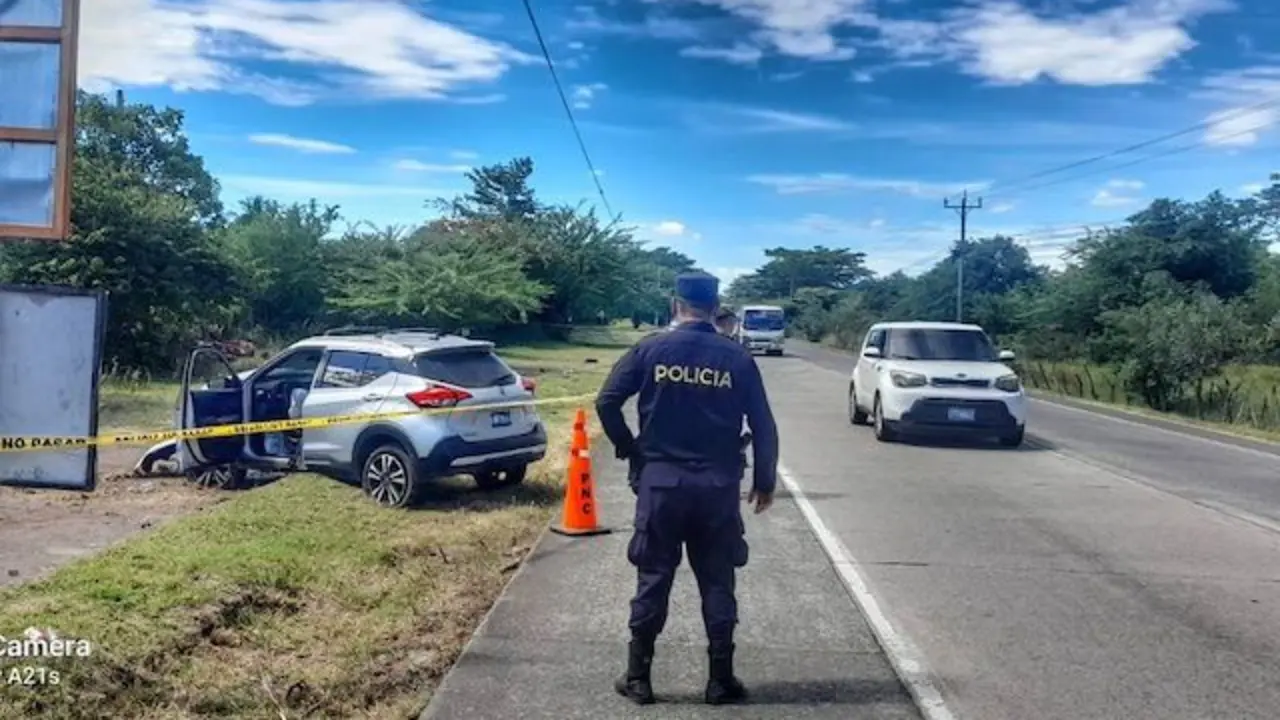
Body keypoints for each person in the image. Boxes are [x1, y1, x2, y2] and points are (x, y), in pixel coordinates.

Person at [596, 271, 780, 707]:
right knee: (718, 579)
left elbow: (606, 402)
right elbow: (763, 424)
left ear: (675, 304)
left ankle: (639, 678)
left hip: (661, 485)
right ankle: (720, 681)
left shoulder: (651, 348)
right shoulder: (736, 356)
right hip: (717, 487)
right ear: (716, 308)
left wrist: (631, 448)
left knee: (654, 576)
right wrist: (764, 481)